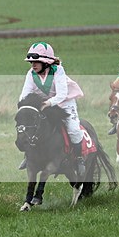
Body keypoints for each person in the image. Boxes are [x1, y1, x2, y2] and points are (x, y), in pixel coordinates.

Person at [18, 42, 86, 178]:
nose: (33, 65)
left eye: (37, 62)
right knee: (32, 128)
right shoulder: (31, 74)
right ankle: (29, 157)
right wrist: (24, 106)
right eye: (31, 62)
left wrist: (48, 103)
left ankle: (79, 159)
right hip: (44, 104)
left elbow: (61, 95)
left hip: (65, 103)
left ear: (47, 62)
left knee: (74, 129)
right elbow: (24, 94)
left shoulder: (58, 71)